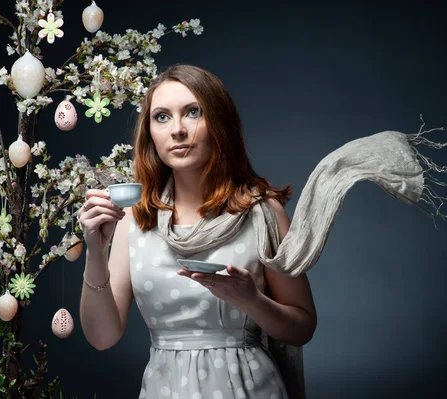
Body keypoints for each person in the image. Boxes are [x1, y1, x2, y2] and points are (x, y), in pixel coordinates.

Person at [78, 64, 317, 399]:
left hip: (249, 389)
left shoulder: (262, 212)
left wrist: (251, 300)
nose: (177, 130)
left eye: (193, 112)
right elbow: (102, 337)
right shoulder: (135, 218)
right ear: (150, 134)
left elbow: (302, 327)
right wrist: (94, 250)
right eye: (161, 117)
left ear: (220, 123)